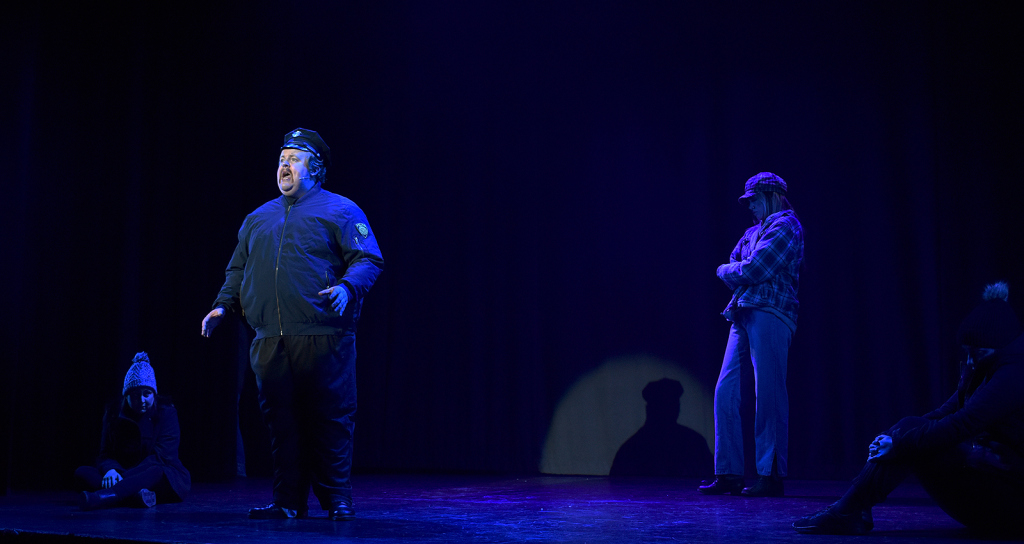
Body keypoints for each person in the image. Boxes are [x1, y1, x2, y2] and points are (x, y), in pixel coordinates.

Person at [201, 128, 384, 521]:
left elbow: (368, 259)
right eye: (281, 159)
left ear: (314, 168)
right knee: (281, 423)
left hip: (324, 335)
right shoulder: (258, 217)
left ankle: (337, 499)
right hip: (269, 339)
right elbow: (237, 269)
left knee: (330, 420)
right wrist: (222, 306)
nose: (284, 166)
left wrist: (347, 287)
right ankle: (287, 501)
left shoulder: (341, 210)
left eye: (294, 160)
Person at [794, 282, 1024, 536]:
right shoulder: (986, 367)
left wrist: (899, 443)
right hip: (993, 485)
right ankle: (850, 509)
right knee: (911, 426)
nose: (970, 361)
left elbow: (963, 423)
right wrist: (892, 437)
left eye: (977, 353)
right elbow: (944, 412)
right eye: (967, 353)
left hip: (1012, 504)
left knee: (913, 434)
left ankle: (849, 510)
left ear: (1002, 347)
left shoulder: (1015, 374)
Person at [699, 172, 804, 497]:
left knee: (768, 392)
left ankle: (770, 474)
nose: (750, 206)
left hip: (771, 311)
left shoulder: (786, 225)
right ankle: (729, 472)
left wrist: (726, 270)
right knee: (725, 390)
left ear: (771, 196)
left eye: (754, 200)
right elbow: (740, 263)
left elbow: (753, 268)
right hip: (742, 311)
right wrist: (736, 270)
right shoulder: (751, 232)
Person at [75, 352, 191, 510]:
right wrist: (111, 470)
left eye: (147, 394)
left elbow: (162, 456)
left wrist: (124, 478)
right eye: (136, 395)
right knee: (82, 472)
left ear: (154, 394)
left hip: (158, 474)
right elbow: (104, 454)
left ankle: (104, 497)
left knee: (156, 471)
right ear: (127, 396)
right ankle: (135, 496)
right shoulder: (113, 414)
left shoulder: (166, 412)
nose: (142, 400)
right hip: (121, 472)